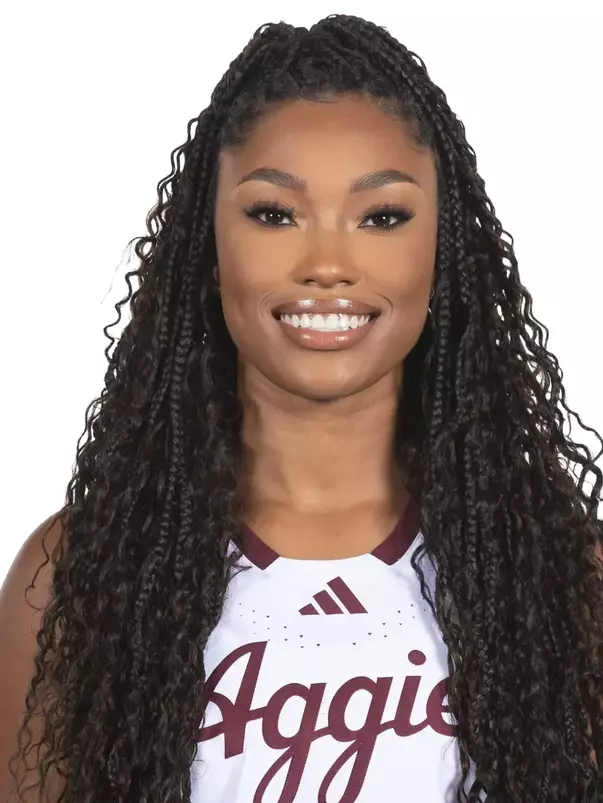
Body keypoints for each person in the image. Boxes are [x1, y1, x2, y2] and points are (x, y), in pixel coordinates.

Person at [1, 13, 602, 803]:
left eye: (381, 216)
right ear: (206, 249)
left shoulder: (557, 573)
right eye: (273, 214)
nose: (326, 263)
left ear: (442, 252)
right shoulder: (76, 573)